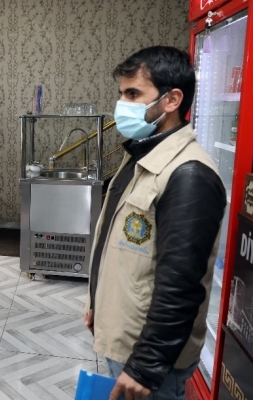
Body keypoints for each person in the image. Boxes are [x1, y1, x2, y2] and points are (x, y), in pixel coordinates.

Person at [84, 46, 227, 400]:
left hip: (149, 362)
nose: (122, 104)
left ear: (171, 100)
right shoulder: (142, 154)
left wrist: (145, 367)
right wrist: (97, 303)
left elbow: (180, 285)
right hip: (125, 340)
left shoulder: (189, 174)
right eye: (121, 93)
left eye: (133, 94)